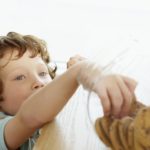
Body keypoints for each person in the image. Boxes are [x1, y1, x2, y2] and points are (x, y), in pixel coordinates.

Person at [0, 32, 137, 150]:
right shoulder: (5, 129)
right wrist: (79, 70)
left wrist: (76, 73)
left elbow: (52, 95)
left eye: (42, 73)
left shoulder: (49, 103)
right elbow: (29, 117)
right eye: (20, 77)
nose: (39, 82)